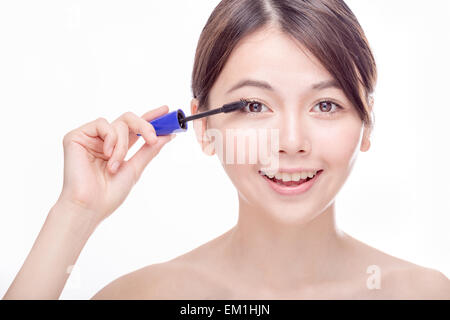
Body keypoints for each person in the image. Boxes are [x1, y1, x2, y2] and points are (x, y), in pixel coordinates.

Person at [4, 0, 449, 299]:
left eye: (325, 104)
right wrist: (75, 212)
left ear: (366, 123)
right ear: (203, 126)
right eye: (255, 105)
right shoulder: (144, 296)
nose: (291, 142)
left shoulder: (423, 293)